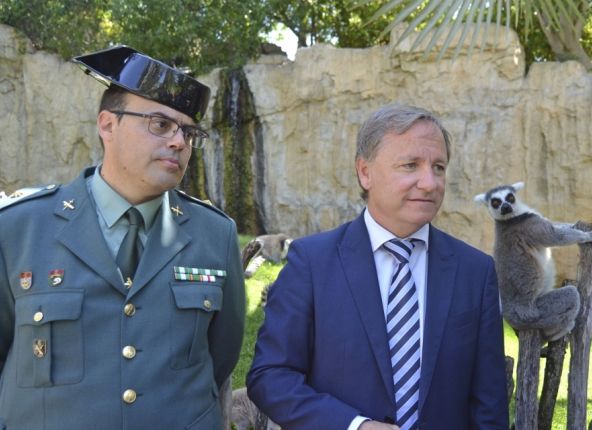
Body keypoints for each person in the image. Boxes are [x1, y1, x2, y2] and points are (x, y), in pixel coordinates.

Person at [0, 45, 246, 429]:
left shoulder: (215, 234)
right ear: (108, 125)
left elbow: (221, 357)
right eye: (160, 125)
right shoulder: (18, 229)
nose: (179, 142)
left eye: (189, 131)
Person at [246, 104, 509, 430]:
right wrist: (353, 426)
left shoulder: (475, 272)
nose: (429, 182)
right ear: (365, 172)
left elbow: (489, 404)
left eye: (438, 167)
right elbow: (270, 376)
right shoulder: (312, 262)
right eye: (411, 165)